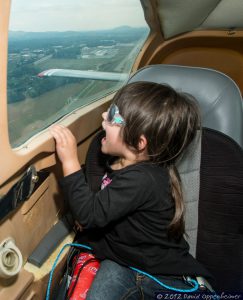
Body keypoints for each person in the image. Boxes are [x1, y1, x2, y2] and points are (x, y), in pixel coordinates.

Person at [50, 81, 212, 299]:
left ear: (139, 142)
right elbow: (109, 207)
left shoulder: (143, 178)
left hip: (160, 277)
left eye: (113, 117)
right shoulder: (121, 164)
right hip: (128, 262)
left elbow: (90, 214)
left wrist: (69, 161)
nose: (104, 116)